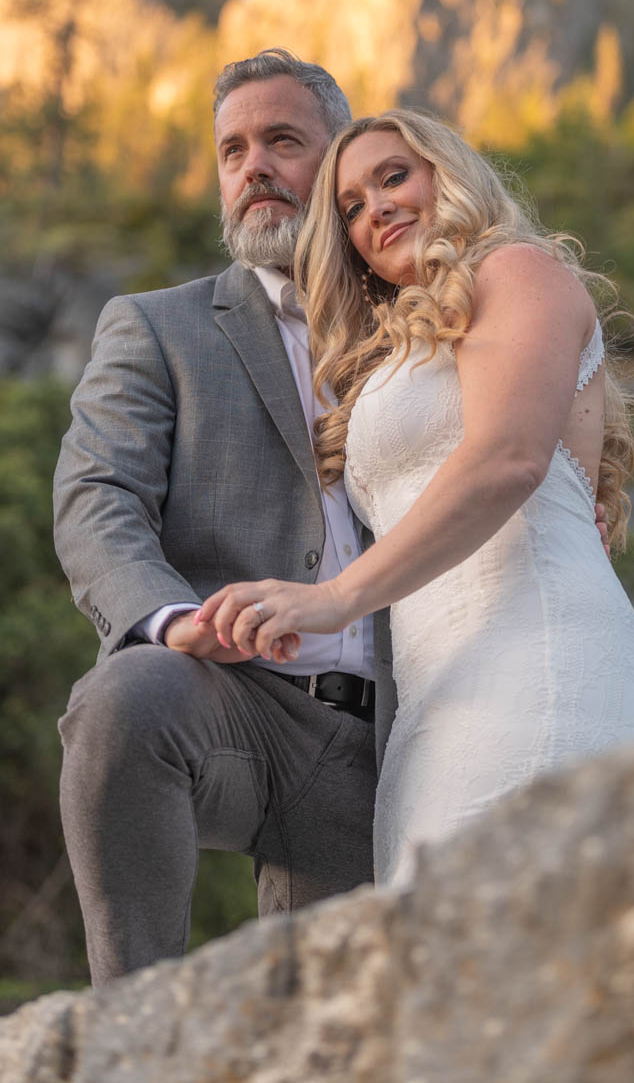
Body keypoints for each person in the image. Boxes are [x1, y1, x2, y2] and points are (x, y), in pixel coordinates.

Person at [196, 109, 634, 887]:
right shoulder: (398, 352)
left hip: (532, 658)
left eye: (393, 177)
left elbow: (507, 459)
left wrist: (332, 600)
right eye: (350, 207)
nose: (374, 209)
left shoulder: (514, 271)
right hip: (433, 697)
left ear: (448, 175)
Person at [53, 50, 388, 985]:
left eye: (282, 140)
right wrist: (171, 622)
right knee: (123, 701)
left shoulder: (419, 318)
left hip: (396, 722)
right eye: (232, 150)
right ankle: (132, 1024)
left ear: (341, 159)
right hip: (231, 699)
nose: (254, 167)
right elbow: (96, 494)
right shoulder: (157, 326)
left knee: (324, 1020)